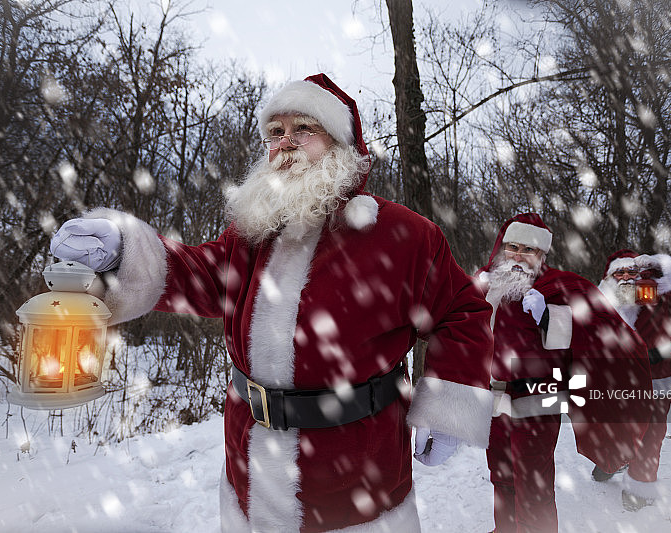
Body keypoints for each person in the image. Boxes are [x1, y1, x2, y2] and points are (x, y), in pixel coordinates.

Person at [50, 73, 495, 532]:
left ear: (340, 143)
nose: (286, 142)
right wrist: (123, 249)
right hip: (250, 467)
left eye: (303, 128)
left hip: (357, 475)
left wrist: (447, 408)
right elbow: (200, 275)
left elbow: (462, 312)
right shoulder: (253, 231)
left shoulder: (403, 234)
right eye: (276, 132)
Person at [475, 213, 651, 533]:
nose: (518, 255)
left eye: (529, 250)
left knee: (533, 480)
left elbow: (605, 334)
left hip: (540, 397)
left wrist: (550, 317)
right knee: (500, 473)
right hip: (495, 395)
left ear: (542, 255)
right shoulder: (486, 284)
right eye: (512, 246)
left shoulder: (561, 286)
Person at [595, 249, 671, 510]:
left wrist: (661, 267)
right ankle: (613, 461)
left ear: (640, 274)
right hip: (617, 381)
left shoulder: (663, 299)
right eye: (617, 272)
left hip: (657, 378)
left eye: (630, 271)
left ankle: (640, 485)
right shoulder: (601, 306)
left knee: (652, 433)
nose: (624, 277)